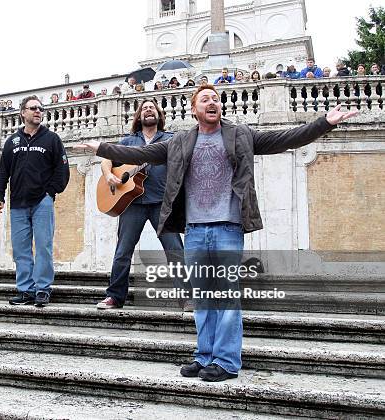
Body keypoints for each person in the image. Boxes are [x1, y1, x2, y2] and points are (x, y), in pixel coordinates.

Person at [75, 84, 357, 382]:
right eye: (205, 99)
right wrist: (102, 149)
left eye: (216, 99)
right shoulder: (180, 142)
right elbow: (139, 152)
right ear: (194, 110)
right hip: (195, 229)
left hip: (227, 226)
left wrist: (323, 123)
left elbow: (282, 139)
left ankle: (226, 361)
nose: (213, 102)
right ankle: (205, 355)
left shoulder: (240, 135)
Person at [96, 99, 183, 310]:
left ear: (159, 114)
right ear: (138, 116)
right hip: (132, 202)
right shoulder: (128, 141)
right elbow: (106, 159)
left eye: (152, 107)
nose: (148, 110)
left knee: (175, 250)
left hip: (162, 202)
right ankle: (115, 297)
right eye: (144, 108)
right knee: (123, 251)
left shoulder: (171, 139)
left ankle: (188, 297)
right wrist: (108, 175)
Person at [0, 95, 70, 307]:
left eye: (40, 108)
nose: (38, 111)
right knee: (20, 249)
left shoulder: (52, 139)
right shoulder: (12, 142)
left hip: (41, 202)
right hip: (17, 203)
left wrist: (50, 193)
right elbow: (3, 172)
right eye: (33, 108)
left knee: (43, 246)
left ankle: (43, 289)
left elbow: (62, 169)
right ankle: (26, 290)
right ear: (23, 113)